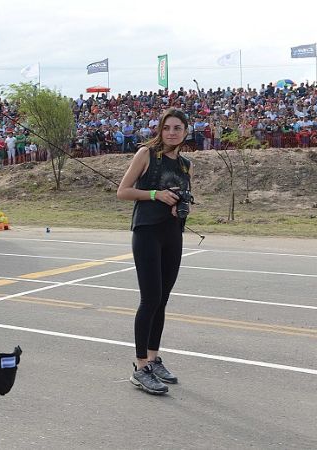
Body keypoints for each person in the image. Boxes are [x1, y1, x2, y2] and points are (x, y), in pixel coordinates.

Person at [116, 107, 193, 395]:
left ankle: (153, 357)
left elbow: (183, 195)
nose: (172, 132)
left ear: (186, 132)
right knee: (149, 299)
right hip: (147, 232)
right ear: (160, 130)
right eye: (167, 127)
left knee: (162, 300)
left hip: (172, 234)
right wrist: (155, 194)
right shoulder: (146, 155)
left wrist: (179, 205)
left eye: (178, 128)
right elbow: (123, 191)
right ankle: (139, 368)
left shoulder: (186, 164)